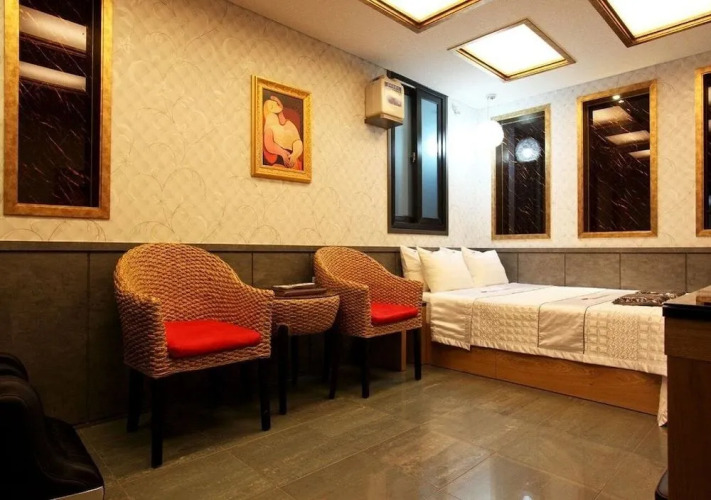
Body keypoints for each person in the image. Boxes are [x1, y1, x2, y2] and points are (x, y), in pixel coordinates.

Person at [262, 95, 303, 170]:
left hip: (292, 155)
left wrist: (294, 155)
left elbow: (297, 142)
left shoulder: (288, 124)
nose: (275, 105)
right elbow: (269, 145)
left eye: (276, 103)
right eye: (272, 106)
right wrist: (282, 153)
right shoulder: (270, 127)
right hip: (279, 155)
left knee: (298, 143)